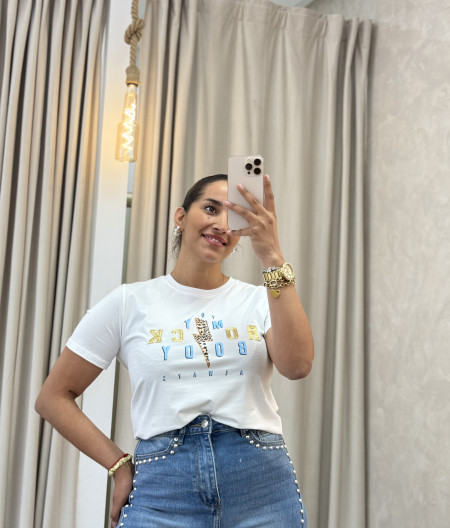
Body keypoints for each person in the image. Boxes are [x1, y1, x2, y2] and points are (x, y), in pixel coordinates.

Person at [35, 173, 314, 528]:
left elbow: (298, 365)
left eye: (233, 217)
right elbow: (53, 397)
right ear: (180, 216)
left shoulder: (260, 300)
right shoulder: (129, 302)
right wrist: (118, 465)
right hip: (162, 491)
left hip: (259, 487)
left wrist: (272, 255)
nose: (221, 224)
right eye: (210, 208)